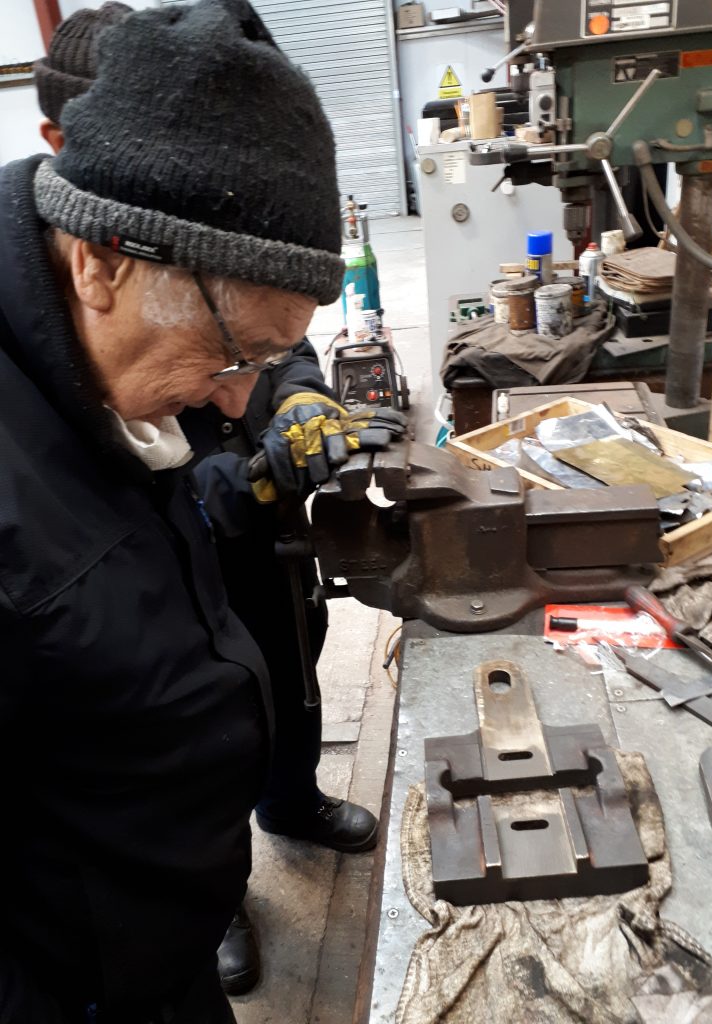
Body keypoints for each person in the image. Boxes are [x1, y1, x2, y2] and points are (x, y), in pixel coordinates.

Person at [2, 2, 404, 1021]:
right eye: (233, 360)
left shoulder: (119, 357)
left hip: (159, 944)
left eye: (265, 364)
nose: (236, 399)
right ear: (98, 259)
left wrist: (290, 380)